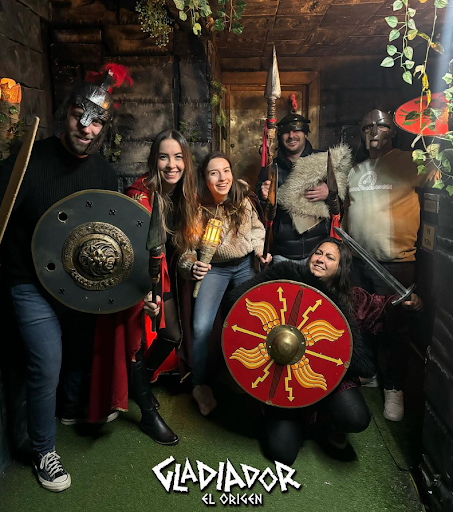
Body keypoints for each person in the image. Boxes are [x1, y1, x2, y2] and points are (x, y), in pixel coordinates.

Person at [0, 64, 128, 492]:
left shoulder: (104, 174)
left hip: (77, 287)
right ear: (66, 113)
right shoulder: (28, 162)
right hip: (28, 282)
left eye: (97, 122)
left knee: (79, 351)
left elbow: (113, 234)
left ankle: (69, 407)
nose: (87, 128)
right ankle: (44, 451)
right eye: (79, 116)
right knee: (47, 362)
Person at [224, 238, 423, 465]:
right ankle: (287, 417)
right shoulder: (284, 280)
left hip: (330, 381)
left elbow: (382, 308)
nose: (321, 259)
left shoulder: (352, 297)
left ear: (340, 267)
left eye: (330, 257)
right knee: (282, 453)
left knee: (356, 418)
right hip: (286, 384)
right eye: (318, 253)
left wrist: (406, 306)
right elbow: (240, 302)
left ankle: (329, 424)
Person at [89, 130, 198, 445]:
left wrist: (192, 262)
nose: (171, 165)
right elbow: (130, 250)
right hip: (134, 279)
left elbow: (182, 248)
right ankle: (148, 414)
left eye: (178, 157)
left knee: (172, 334)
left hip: (162, 277)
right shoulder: (139, 194)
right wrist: (145, 292)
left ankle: (140, 386)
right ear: (154, 161)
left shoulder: (184, 195)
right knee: (133, 344)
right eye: (164, 157)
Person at [344, 109, 437, 422]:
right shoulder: (356, 170)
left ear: (393, 131)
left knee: (395, 327)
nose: (373, 131)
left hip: (394, 262)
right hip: (358, 259)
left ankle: (394, 387)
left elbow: (441, 172)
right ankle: (370, 372)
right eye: (367, 126)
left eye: (381, 126)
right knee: (360, 321)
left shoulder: (409, 161)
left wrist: (435, 135)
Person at [177, 151, 272, 416]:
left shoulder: (243, 200)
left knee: (255, 323)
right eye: (214, 173)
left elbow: (257, 230)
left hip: (245, 265)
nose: (222, 178)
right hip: (214, 269)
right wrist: (192, 266)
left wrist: (260, 250)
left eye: (226, 170)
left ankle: (251, 377)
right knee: (201, 327)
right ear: (204, 179)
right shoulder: (196, 208)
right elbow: (186, 252)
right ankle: (199, 385)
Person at [256, 113, 351, 263]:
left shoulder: (325, 161)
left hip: (319, 252)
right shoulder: (270, 168)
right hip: (284, 252)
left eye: (296, 130)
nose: (291, 136)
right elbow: (259, 214)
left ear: (305, 133)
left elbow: (341, 209)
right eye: (286, 132)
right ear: (280, 136)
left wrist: (329, 194)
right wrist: (263, 197)